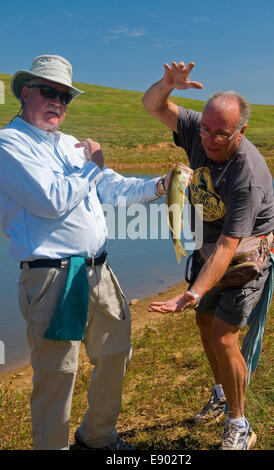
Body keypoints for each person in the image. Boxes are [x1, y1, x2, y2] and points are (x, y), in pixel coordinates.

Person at [0, 55, 192, 451]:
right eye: (49, 92)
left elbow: (114, 190)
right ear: (24, 92)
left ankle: (98, 437)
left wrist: (161, 185)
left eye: (65, 96)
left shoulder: (73, 145)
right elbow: (51, 200)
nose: (58, 102)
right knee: (58, 373)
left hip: (99, 272)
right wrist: (94, 166)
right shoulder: (9, 144)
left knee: (117, 351)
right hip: (53, 276)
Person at [143, 61, 274, 450]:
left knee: (222, 336)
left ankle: (240, 424)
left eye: (221, 133)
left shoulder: (246, 174)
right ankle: (221, 396)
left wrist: (194, 291)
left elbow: (228, 246)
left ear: (240, 131)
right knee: (204, 323)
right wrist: (167, 85)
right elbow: (152, 105)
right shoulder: (198, 130)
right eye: (204, 128)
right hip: (209, 250)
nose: (209, 140)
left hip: (244, 258)